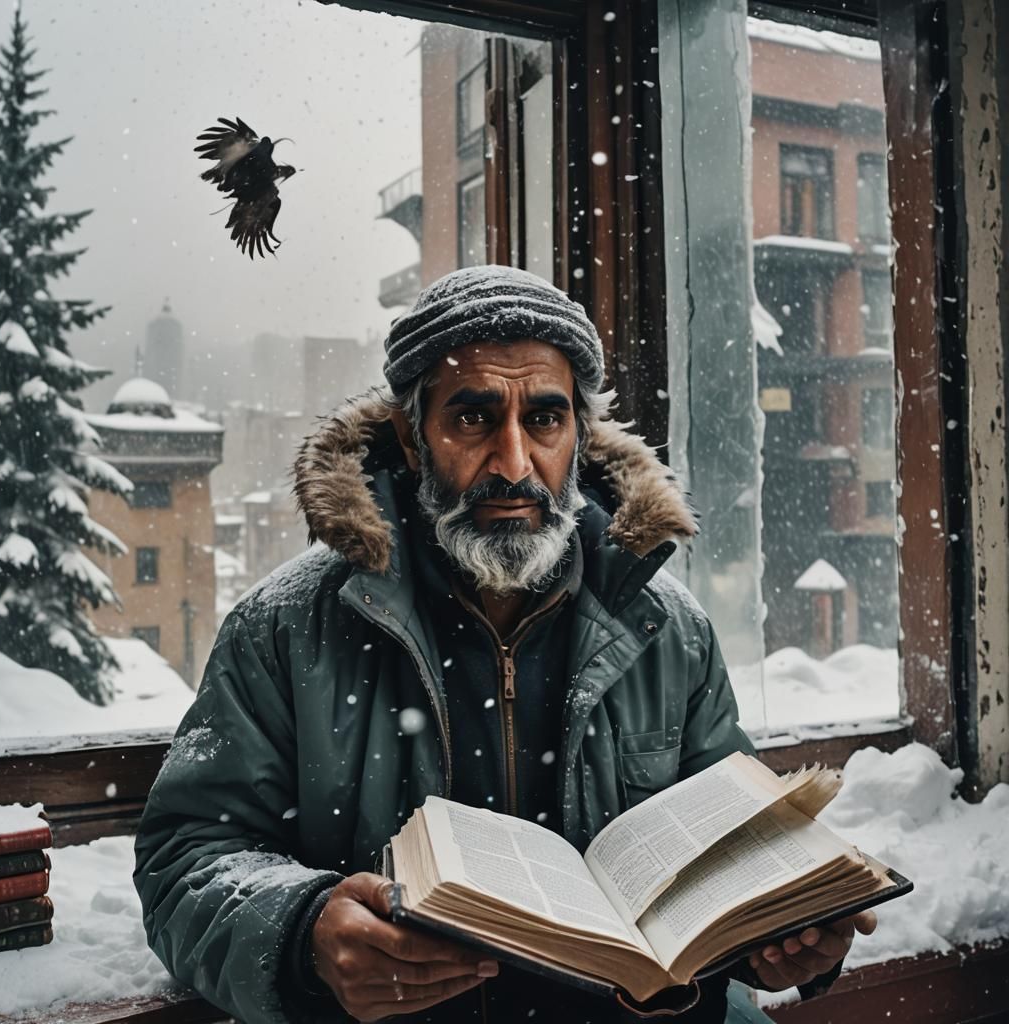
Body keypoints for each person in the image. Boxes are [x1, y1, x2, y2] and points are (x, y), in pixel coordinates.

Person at [134, 266, 874, 1024]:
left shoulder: (667, 628)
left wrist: (786, 934)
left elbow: (734, 850)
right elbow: (185, 857)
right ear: (411, 438)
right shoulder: (287, 628)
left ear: (580, 437)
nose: (515, 463)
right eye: (474, 419)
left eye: (545, 420)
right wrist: (303, 932)